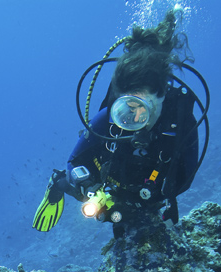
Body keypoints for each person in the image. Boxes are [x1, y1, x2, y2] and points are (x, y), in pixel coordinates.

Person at [32, 9, 208, 238]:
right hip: (110, 187)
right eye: (126, 108)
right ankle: (57, 184)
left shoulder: (182, 124)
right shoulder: (108, 118)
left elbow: (185, 178)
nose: (134, 119)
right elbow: (75, 161)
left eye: (142, 108)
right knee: (86, 196)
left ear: (161, 96)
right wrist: (88, 186)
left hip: (151, 194)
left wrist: (152, 196)